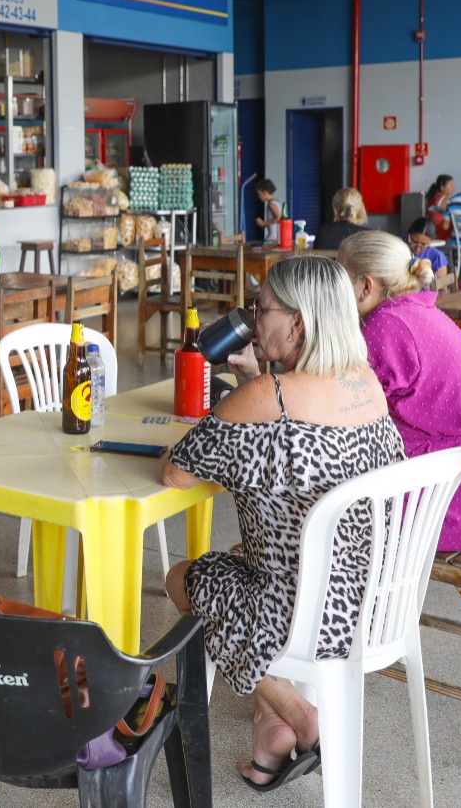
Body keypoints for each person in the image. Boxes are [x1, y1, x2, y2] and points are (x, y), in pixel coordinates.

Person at [160, 256, 404, 790]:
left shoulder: (266, 399)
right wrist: (255, 379)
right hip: (372, 601)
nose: (252, 317)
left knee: (183, 578)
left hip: (303, 616)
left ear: (297, 323)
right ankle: (270, 736)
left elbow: (176, 473)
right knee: (242, 556)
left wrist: (247, 391)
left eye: (261, 308)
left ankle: (300, 716)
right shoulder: (366, 384)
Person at [337, 232, 461, 551]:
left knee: (329, 493)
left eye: (339, 281)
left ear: (365, 286)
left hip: (459, 504)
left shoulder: (384, 325)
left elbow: (345, 410)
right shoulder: (420, 311)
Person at [252, 178, 283, 243]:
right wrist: (264, 224)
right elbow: (274, 220)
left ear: (265, 193)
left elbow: (278, 218)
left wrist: (263, 223)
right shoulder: (277, 202)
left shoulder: (271, 204)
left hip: (273, 237)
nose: (258, 196)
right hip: (277, 236)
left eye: (259, 194)